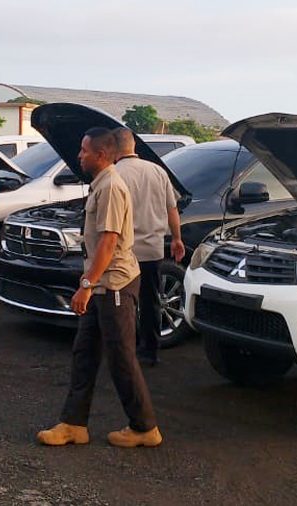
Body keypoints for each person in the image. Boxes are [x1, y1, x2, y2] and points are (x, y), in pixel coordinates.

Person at [37, 127, 161, 448]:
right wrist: (90, 285)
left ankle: (145, 427)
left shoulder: (111, 188)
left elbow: (108, 243)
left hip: (114, 285)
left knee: (121, 358)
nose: (79, 155)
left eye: (83, 150)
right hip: (100, 286)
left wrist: (86, 286)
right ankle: (74, 424)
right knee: (84, 353)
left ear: (101, 155)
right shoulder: (100, 184)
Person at [112, 128, 184, 367]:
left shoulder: (113, 175)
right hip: (153, 249)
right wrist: (177, 239)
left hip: (125, 253)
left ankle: (127, 351)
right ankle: (150, 352)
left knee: (124, 303)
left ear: (113, 148)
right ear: (134, 146)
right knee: (152, 300)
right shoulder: (157, 171)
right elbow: (172, 208)